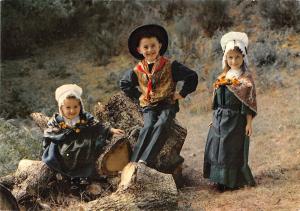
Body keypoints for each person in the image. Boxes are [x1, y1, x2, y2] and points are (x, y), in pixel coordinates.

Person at [120, 24, 198, 167]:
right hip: (148, 105)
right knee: (148, 126)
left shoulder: (170, 65)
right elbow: (124, 84)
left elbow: (192, 76)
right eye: (146, 47)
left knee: (162, 123)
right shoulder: (137, 70)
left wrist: (181, 94)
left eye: (153, 46)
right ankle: (133, 162)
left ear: (160, 45)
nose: (150, 50)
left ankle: (145, 161)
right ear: (139, 49)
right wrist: (139, 96)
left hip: (167, 103)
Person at [203, 32, 257, 191]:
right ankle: (219, 179)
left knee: (230, 149)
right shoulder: (222, 77)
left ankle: (231, 181)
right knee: (217, 148)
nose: (234, 61)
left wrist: (248, 123)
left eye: (237, 57)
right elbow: (217, 101)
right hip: (220, 118)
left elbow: (249, 103)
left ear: (243, 57)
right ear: (226, 59)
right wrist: (214, 117)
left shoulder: (245, 79)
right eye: (230, 58)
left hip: (236, 119)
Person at [42, 84, 124, 188]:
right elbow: (48, 134)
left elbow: (97, 125)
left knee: (86, 151)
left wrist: (110, 130)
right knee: (65, 155)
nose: (72, 111)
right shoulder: (56, 121)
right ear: (61, 108)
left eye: (75, 107)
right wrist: (59, 136)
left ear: (80, 106)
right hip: (64, 144)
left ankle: (84, 176)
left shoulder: (84, 117)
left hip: (82, 142)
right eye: (68, 107)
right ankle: (69, 177)